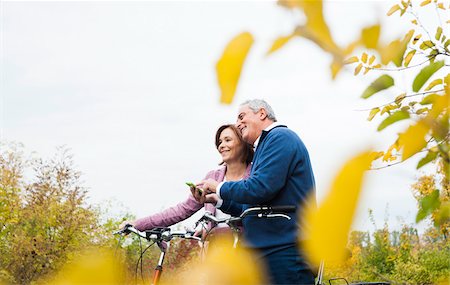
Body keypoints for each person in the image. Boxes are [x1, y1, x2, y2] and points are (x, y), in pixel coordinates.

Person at [193, 99, 317, 284]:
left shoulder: (280, 137)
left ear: (261, 113)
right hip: (270, 252)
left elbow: (260, 188)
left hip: (286, 251)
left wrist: (218, 186)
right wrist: (217, 200)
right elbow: (252, 205)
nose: (238, 123)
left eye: (242, 116)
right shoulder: (264, 146)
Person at [120, 124, 253, 238]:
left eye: (227, 140)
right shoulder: (212, 177)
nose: (221, 146)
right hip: (216, 253)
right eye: (220, 142)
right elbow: (182, 210)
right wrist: (139, 224)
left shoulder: (255, 175)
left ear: (243, 143)